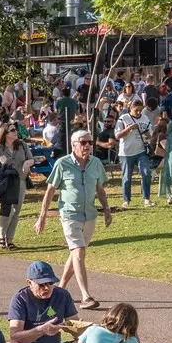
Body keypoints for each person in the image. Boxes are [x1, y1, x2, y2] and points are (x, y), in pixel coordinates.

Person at [34, 129, 114, 308]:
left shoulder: (96, 163)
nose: (87, 146)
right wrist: (42, 216)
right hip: (69, 214)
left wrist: (107, 209)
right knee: (79, 252)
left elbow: (100, 189)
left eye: (90, 142)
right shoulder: (62, 164)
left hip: (90, 214)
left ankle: (60, 289)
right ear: (73, 145)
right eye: (83, 142)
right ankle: (86, 296)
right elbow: (50, 191)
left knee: (76, 253)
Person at [5, 260, 78, 343]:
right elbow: (15, 337)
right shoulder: (20, 299)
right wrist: (41, 330)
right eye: (41, 284)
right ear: (29, 283)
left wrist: (80, 328)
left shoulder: (63, 295)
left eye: (50, 283)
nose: (47, 288)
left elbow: (75, 326)